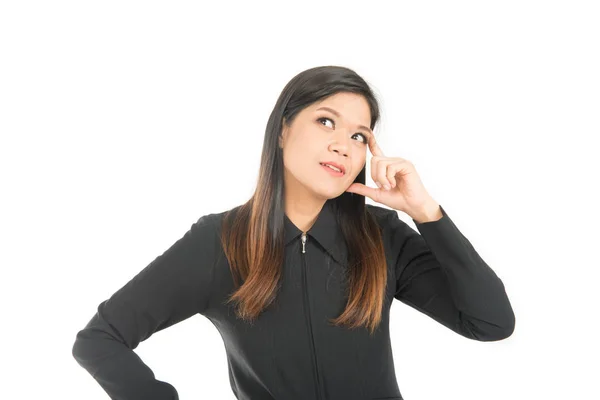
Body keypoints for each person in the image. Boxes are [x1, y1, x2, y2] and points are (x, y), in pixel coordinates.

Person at [72, 65, 515, 400]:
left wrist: (426, 211)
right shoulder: (221, 241)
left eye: (360, 135)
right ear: (283, 130)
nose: (344, 143)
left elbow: (491, 322)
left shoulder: (382, 237)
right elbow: (100, 339)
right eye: (326, 121)